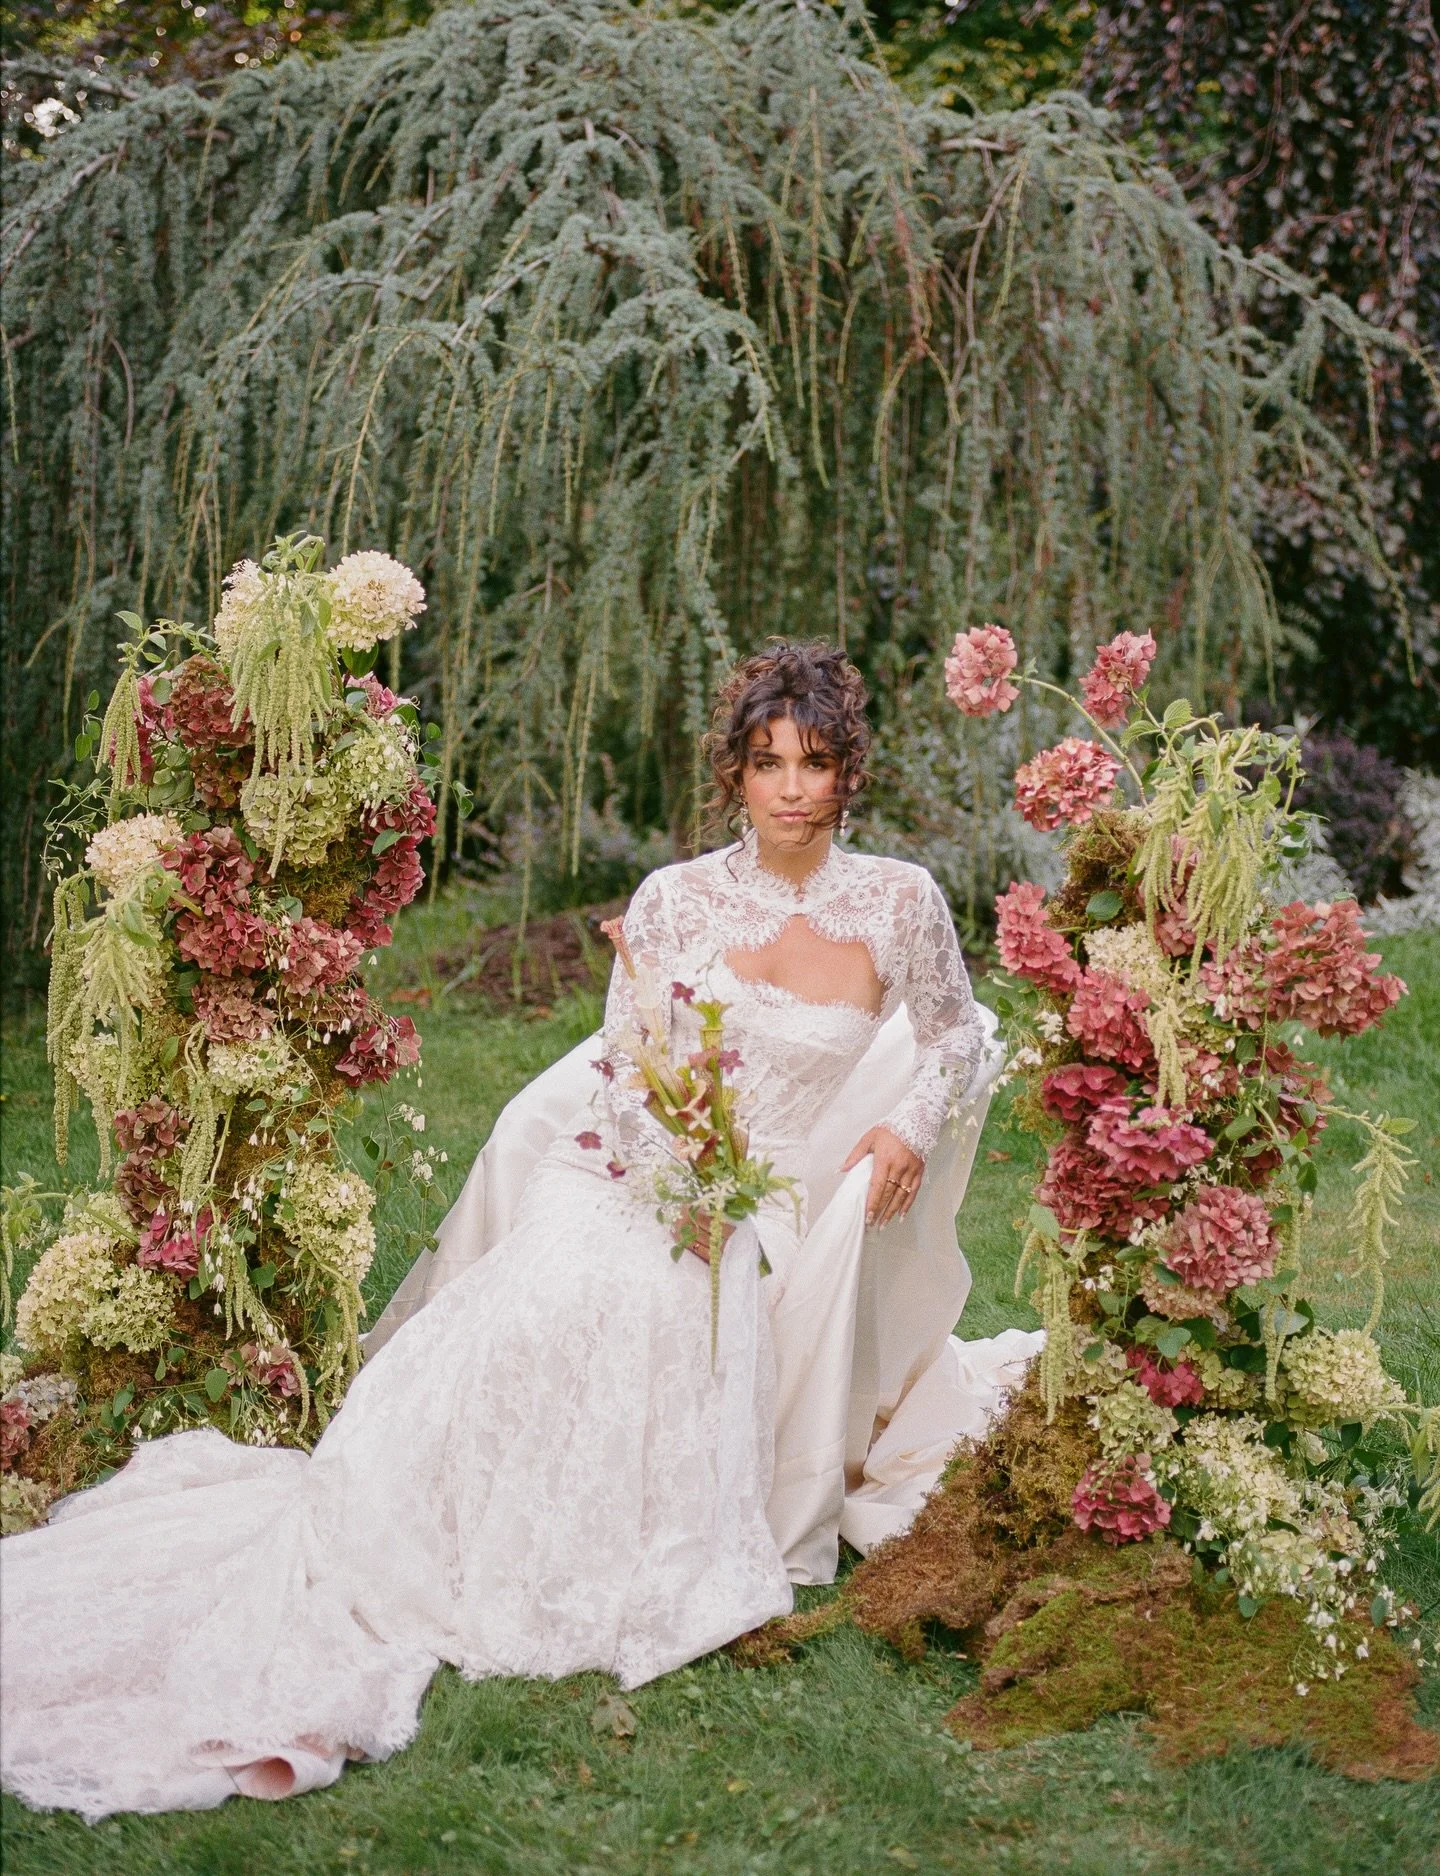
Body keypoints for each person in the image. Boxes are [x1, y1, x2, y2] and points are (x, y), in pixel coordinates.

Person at [1, 642, 1039, 1819]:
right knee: (565, 1286)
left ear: (849, 771)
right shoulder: (676, 897)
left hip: (780, 1197)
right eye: (768, 763)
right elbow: (630, 1070)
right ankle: (433, 1520)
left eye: (814, 762)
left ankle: (588, 1537)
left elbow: (953, 1034)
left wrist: (907, 1125)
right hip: (643, 1169)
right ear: (735, 775)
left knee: (661, 1297)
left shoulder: (898, 900)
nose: (792, 788)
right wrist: (683, 1186)